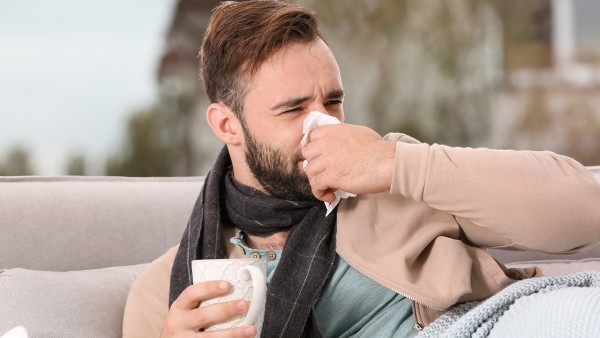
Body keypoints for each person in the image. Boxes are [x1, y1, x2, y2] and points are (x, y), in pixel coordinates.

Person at [122, 1, 600, 337]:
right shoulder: (171, 289)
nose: (321, 123)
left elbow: (587, 211)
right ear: (228, 125)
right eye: (293, 110)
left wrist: (397, 164)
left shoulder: (392, 175)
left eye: (333, 101)